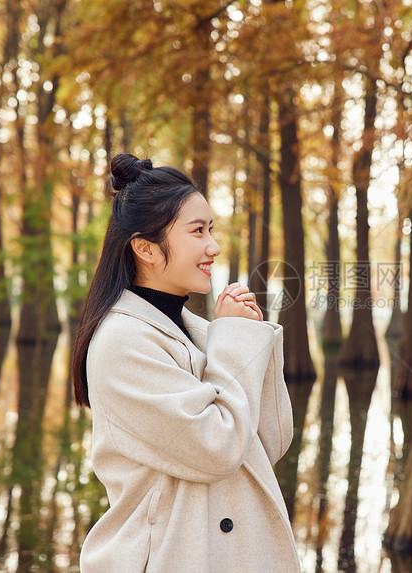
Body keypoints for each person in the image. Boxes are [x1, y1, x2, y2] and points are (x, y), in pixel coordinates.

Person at [71, 153, 300, 572]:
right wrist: (233, 341)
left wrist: (246, 338)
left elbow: (268, 443)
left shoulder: (198, 330)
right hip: (169, 558)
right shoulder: (122, 343)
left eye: (210, 229)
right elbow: (218, 449)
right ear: (145, 248)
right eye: (197, 231)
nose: (213, 246)